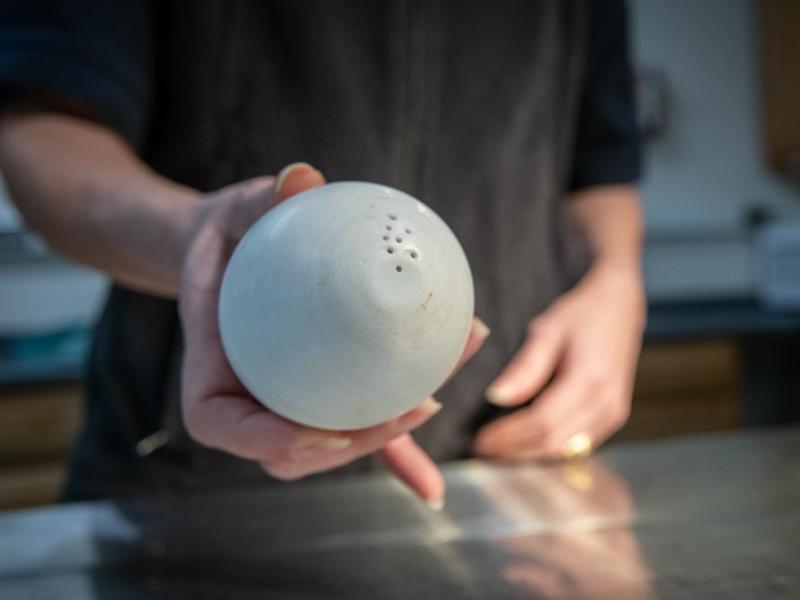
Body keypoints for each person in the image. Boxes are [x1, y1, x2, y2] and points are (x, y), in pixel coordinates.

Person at [0, 0, 645, 509]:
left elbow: (599, 170)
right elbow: (42, 134)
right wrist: (197, 234)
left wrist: (617, 278)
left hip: (500, 457)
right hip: (195, 486)